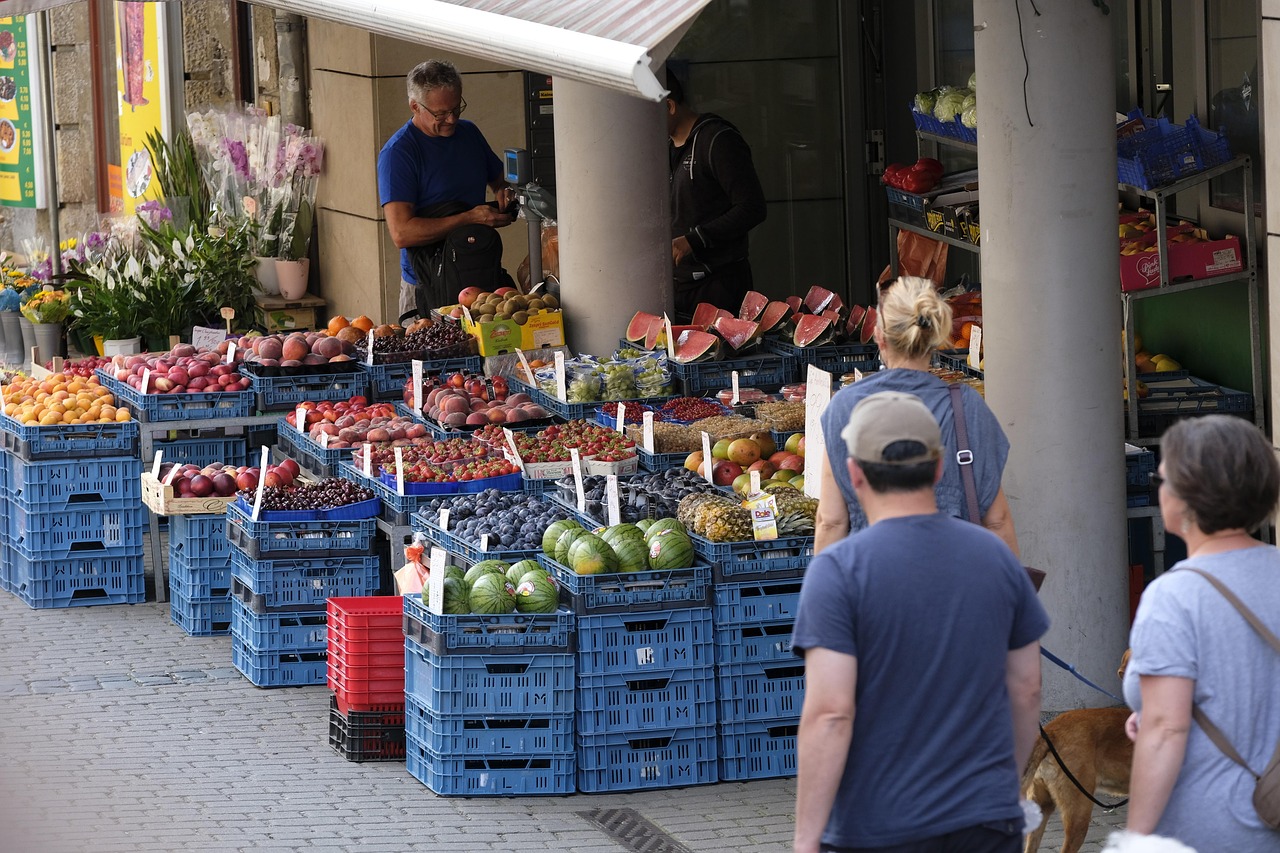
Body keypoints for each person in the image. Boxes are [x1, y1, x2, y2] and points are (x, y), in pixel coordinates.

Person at [792, 391, 1048, 853]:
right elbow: (1027, 689)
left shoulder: (837, 572)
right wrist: (1000, 788)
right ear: (938, 467)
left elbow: (830, 713)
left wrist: (807, 837)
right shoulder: (996, 558)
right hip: (983, 820)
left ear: (854, 475)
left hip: (876, 822)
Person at [1123, 415, 1280, 850]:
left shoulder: (1174, 595)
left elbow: (1165, 730)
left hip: (1212, 826)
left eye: (1164, 478)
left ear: (1189, 498)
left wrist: (1135, 840)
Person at [814, 275, 1018, 555]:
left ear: (879, 335)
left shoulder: (845, 406)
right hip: (957, 586)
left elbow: (831, 521)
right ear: (936, 338)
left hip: (873, 583)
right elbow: (997, 521)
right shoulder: (966, 407)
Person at [378, 59, 515, 319]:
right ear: (415, 106)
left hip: (477, 272)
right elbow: (402, 233)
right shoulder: (399, 154)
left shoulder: (469, 133)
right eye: (440, 114)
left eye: (457, 108)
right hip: (426, 282)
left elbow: (499, 179)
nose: (451, 119)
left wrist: (503, 191)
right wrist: (469, 218)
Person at [666, 70, 766, 320]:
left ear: (669, 106)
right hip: (680, 289)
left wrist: (693, 240)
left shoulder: (718, 140)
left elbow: (752, 207)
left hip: (720, 287)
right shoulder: (663, 148)